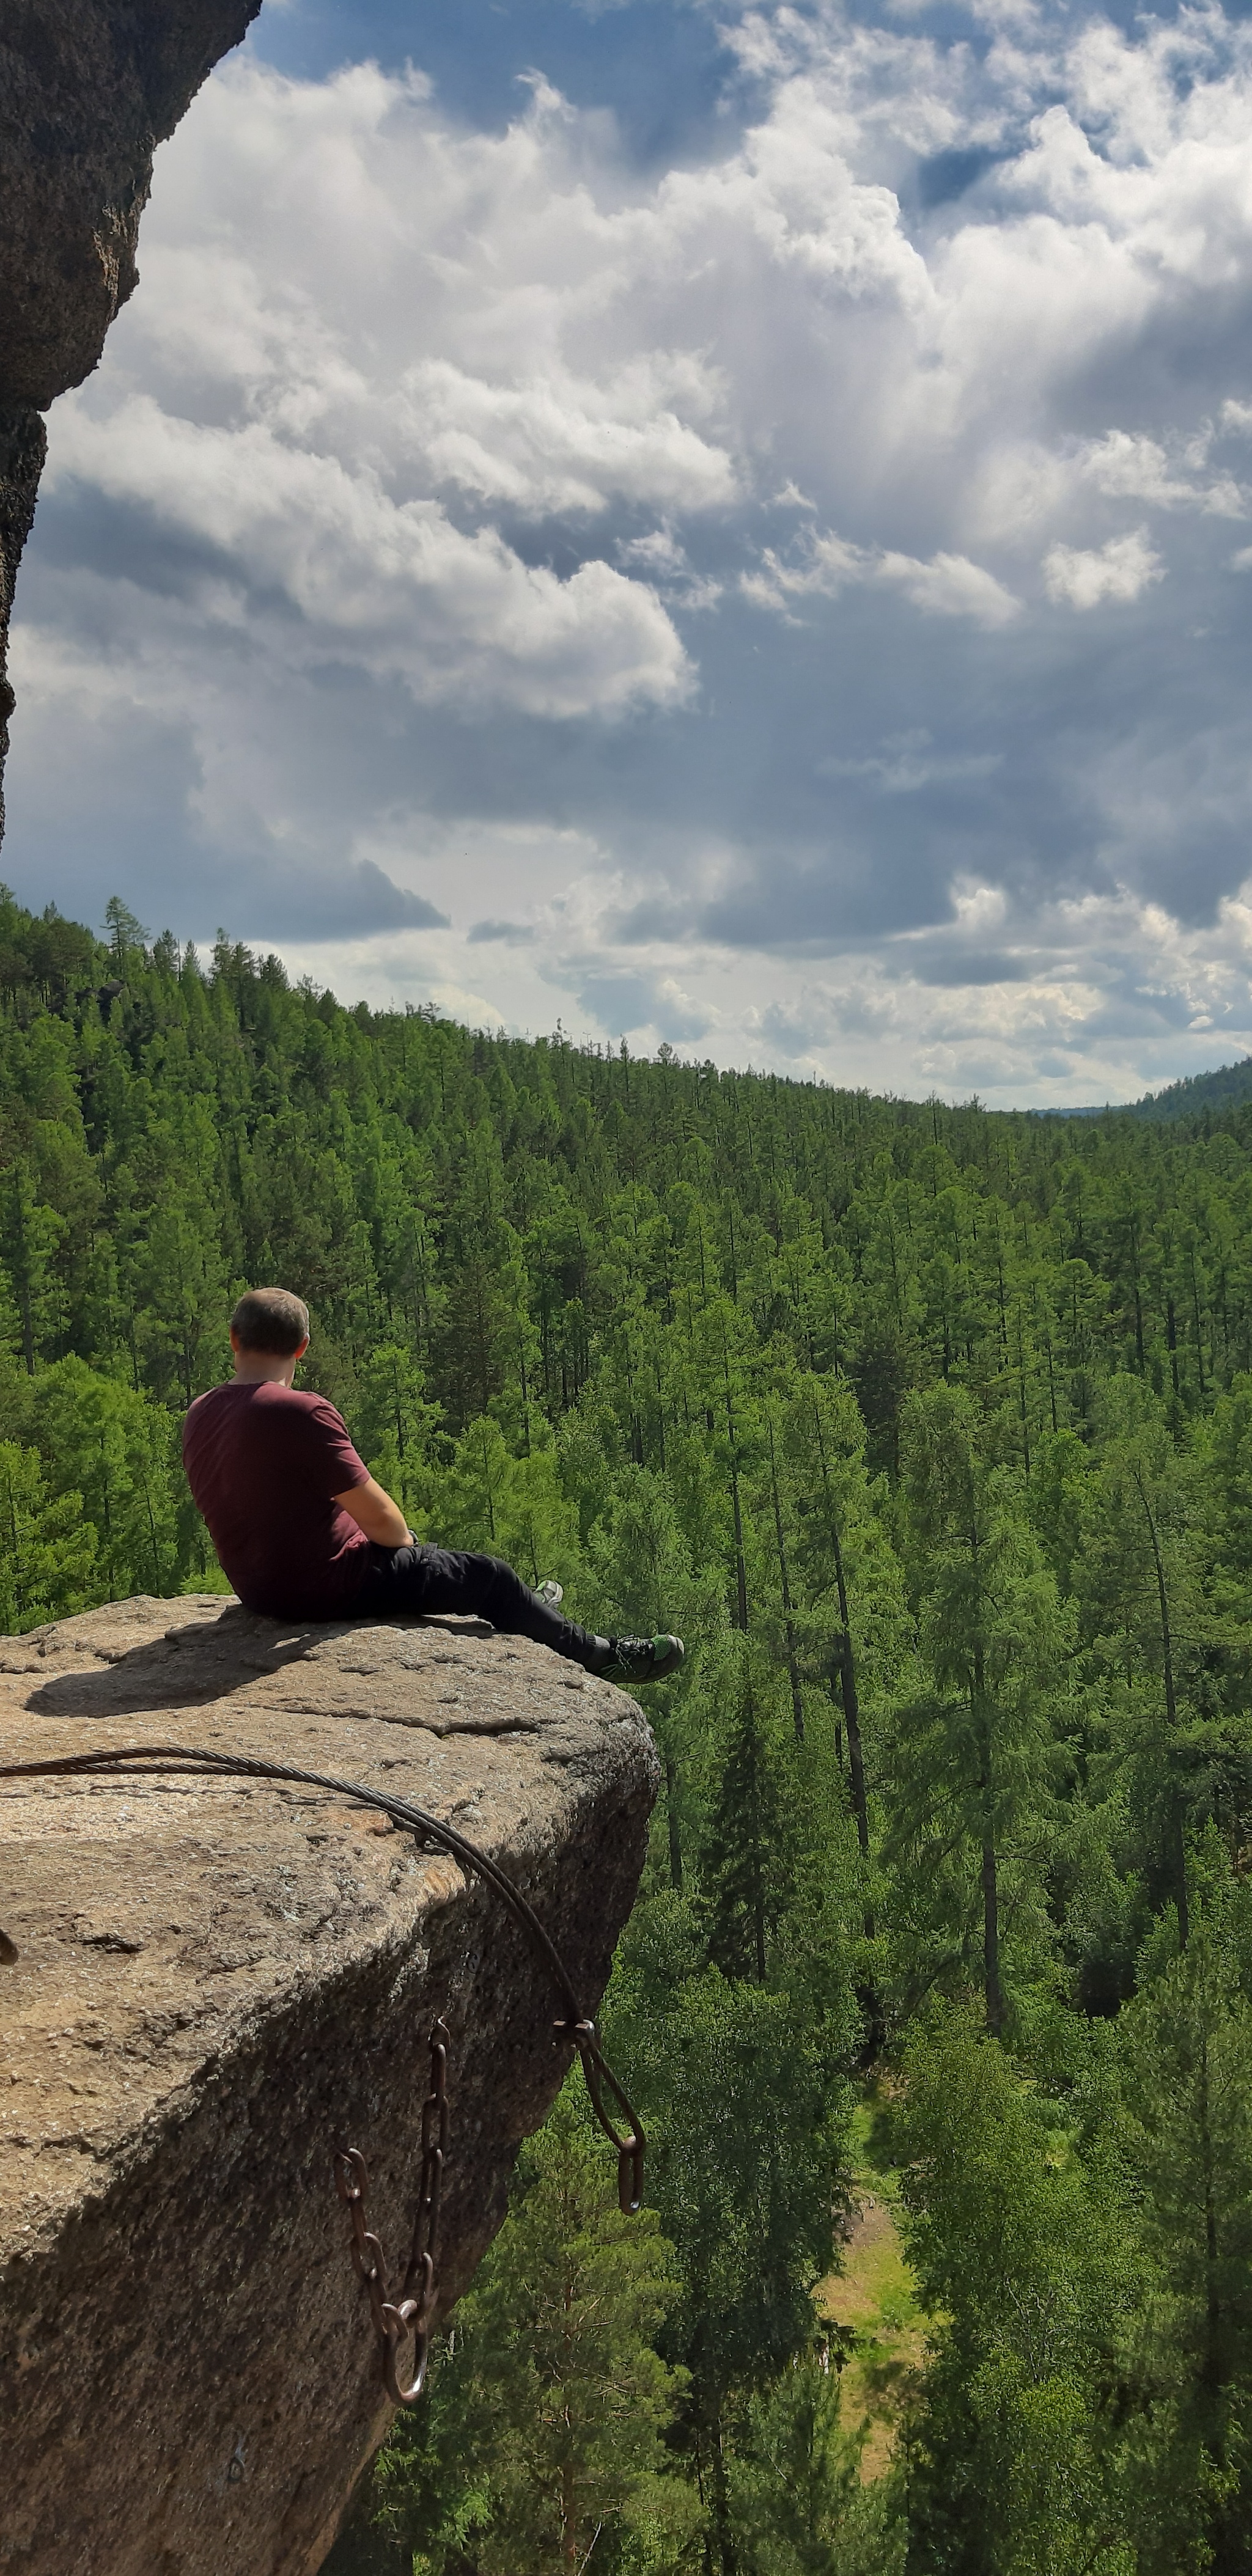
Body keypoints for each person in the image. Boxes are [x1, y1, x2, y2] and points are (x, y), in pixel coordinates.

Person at [182, 1286, 684, 1685]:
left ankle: (527, 1609)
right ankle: (600, 1655)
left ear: (233, 1339)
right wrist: (411, 1548)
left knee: (446, 1569)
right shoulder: (300, 1411)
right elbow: (385, 1525)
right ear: (302, 1347)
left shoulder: (200, 1412)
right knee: (488, 1577)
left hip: (257, 1589)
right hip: (324, 1587)